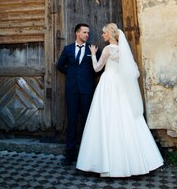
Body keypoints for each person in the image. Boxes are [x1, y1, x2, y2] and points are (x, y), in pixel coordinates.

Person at [76, 23, 163, 177]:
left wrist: (93, 54)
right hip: (121, 86)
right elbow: (132, 72)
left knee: (107, 117)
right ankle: (138, 162)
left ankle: (105, 163)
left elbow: (97, 68)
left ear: (109, 34)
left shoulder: (108, 49)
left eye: (103, 33)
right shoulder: (124, 51)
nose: (102, 35)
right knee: (125, 117)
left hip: (108, 84)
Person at [56, 23, 98, 165]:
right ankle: (70, 154)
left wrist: (88, 78)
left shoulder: (92, 49)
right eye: (85, 32)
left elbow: (98, 68)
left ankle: (88, 154)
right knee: (72, 121)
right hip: (72, 90)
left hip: (87, 90)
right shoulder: (67, 49)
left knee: (87, 121)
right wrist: (72, 74)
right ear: (77, 33)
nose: (87, 35)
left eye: (88, 33)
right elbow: (59, 66)